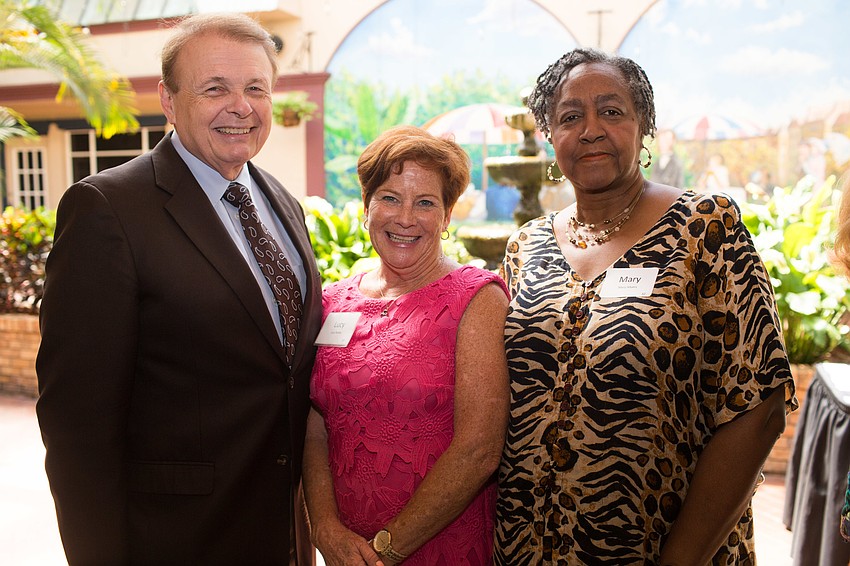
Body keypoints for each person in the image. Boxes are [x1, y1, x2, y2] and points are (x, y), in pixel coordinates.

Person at [35, 13, 322, 565]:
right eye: (215, 88)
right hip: (175, 541)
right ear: (168, 100)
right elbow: (78, 428)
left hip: (282, 535)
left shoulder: (281, 201)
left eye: (255, 88)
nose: (241, 106)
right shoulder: (107, 210)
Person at [496, 47, 797, 564]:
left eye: (611, 111)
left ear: (644, 126)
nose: (590, 129)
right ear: (550, 137)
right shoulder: (527, 246)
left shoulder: (706, 229)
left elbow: (759, 406)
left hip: (662, 544)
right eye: (571, 117)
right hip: (528, 547)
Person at [303, 125, 510, 565]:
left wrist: (385, 550)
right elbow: (316, 421)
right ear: (367, 205)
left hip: (438, 547)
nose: (405, 218)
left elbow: (480, 449)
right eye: (390, 198)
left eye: (426, 203)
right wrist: (324, 528)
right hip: (345, 551)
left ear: (448, 215)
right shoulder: (332, 302)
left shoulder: (477, 299)